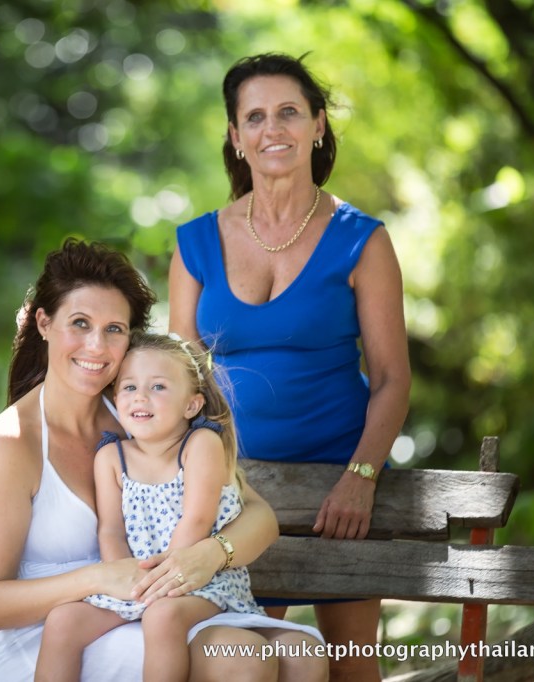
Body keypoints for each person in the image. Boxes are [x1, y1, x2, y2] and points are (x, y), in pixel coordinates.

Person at [0, 238, 328, 682]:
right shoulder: (11, 442)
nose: (97, 346)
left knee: (302, 652)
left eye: (114, 329)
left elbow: (259, 516)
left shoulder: (141, 416)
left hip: (152, 600)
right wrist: (100, 578)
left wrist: (210, 554)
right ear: (44, 323)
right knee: (241, 658)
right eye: (79, 323)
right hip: (50, 634)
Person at [168, 53, 412, 681]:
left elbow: (391, 377)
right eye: (254, 116)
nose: (272, 128)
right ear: (235, 136)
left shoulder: (364, 239)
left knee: (354, 667)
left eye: (288, 112)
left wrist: (361, 477)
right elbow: (177, 381)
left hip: (338, 488)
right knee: (249, 659)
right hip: (236, 492)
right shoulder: (196, 241)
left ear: (317, 126)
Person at [34, 332, 323, 682]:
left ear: (192, 405)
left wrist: (164, 579)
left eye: (158, 387)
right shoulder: (111, 457)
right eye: (129, 387)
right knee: (63, 621)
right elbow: (110, 528)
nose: (140, 396)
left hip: (198, 582)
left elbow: (197, 519)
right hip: (139, 581)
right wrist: (122, 575)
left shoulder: (200, 445)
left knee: (162, 616)